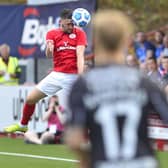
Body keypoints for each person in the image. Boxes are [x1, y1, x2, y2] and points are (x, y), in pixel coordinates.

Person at [64, 10, 168, 168]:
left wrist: (86, 158)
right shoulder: (144, 82)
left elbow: (74, 139)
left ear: (96, 40)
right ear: (126, 41)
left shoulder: (83, 85)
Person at [4, 8, 87, 133]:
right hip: (56, 75)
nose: (71, 26)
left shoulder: (79, 33)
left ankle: (89, 136)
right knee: (30, 99)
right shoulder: (52, 34)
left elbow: (80, 55)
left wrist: (80, 77)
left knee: (80, 108)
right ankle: (23, 125)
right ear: (61, 22)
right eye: (69, 24)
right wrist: (49, 48)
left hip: (73, 77)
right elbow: (49, 55)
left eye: (73, 23)